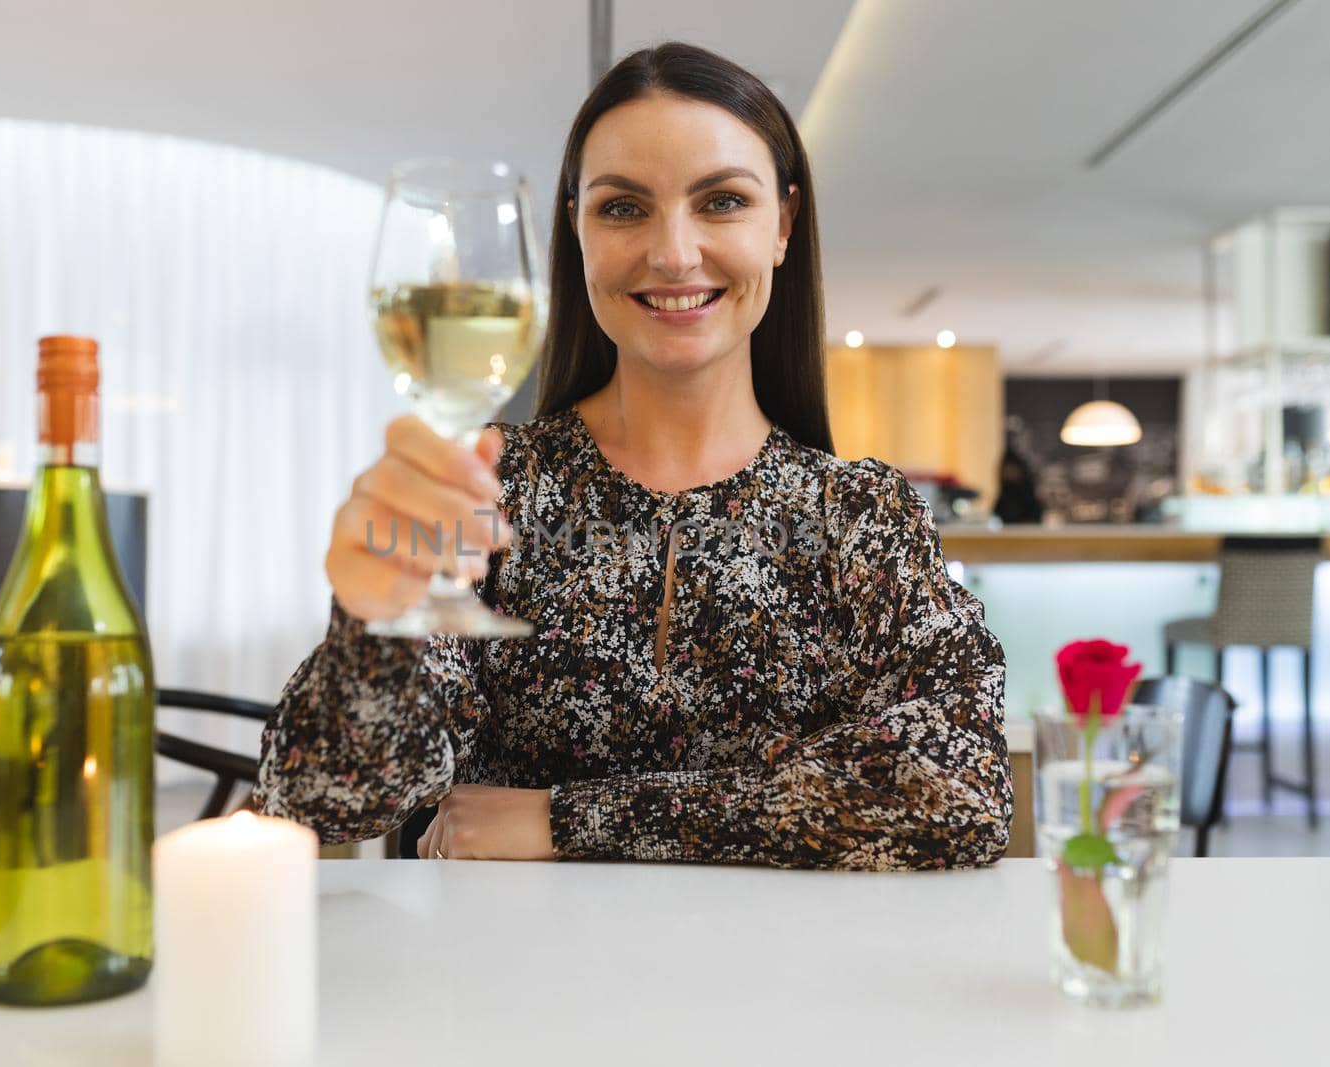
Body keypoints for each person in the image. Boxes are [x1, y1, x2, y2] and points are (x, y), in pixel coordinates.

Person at [254, 43, 1011, 870]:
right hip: (510, 988)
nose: (674, 254)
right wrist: (371, 630)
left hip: (782, 990)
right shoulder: (491, 486)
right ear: (575, 227)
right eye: (623, 209)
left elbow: (957, 790)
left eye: (721, 201)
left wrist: (566, 820)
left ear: (783, 224)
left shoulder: (863, 515)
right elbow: (321, 800)